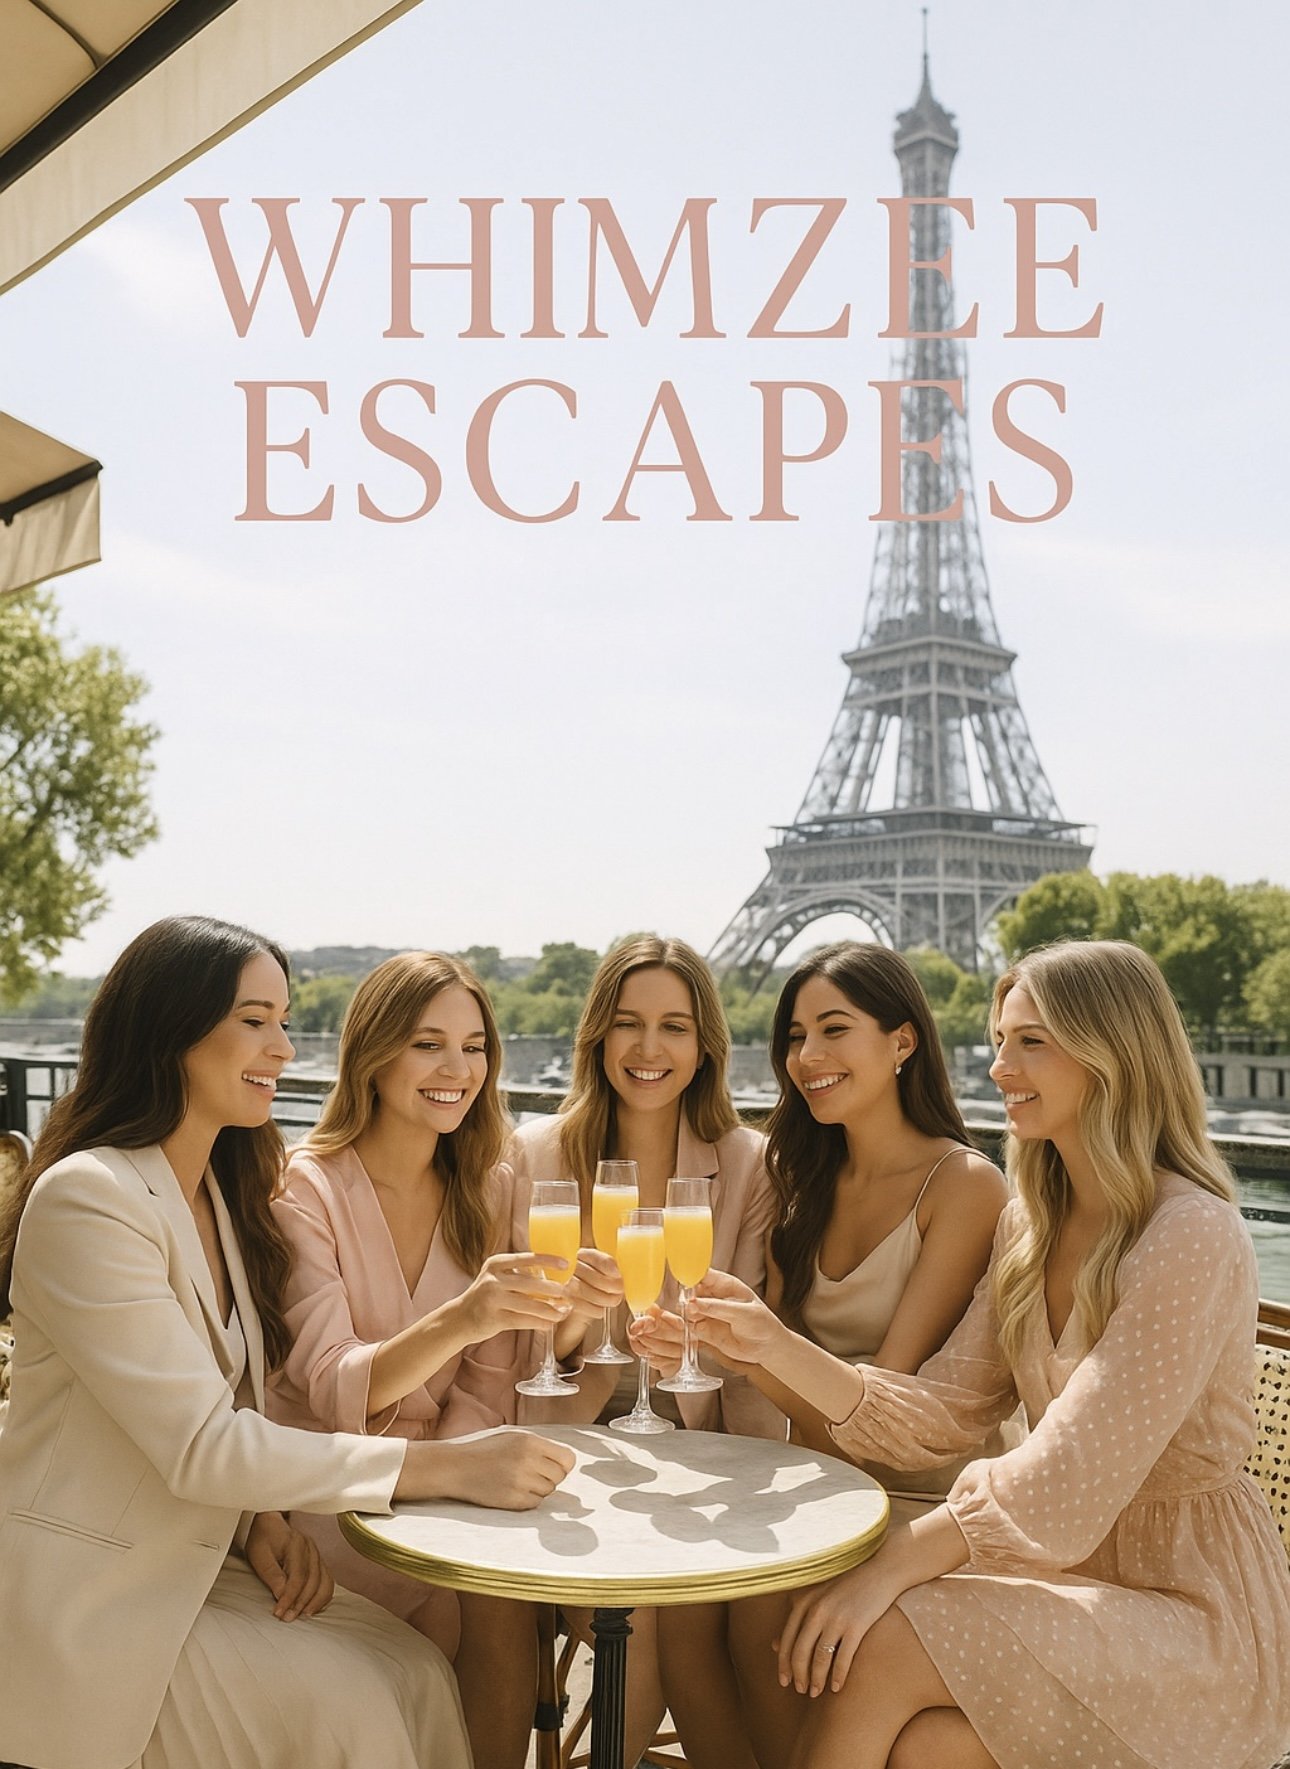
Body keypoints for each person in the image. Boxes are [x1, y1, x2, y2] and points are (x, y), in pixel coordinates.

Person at [662, 941, 1290, 1769]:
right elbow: (943, 1415)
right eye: (1000, 1040)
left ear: (1115, 1050)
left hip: (1193, 1614)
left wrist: (895, 1560)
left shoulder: (1192, 1233)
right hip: (1069, 1581)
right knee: (925, 1746)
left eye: (1032, 1041)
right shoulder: (1030, 1225)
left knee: (877, 1637)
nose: (999, 1067)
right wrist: (767, 1344)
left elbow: (1072, 1466)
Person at [0, 916, 573, 1769]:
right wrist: (448, 1467)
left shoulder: (225, 1197)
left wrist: (260, 1522)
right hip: (95, 1597)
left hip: (205, 1560)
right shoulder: (90, 1196)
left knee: (416, 1671)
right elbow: (201, 1442)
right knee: (358, 1698)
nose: (281, 1046)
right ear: (173, 1028)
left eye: (285, 1019)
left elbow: (229, 1399)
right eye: (254, 1019)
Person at [638, 941, 1008, 1769]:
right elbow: (784, 1368)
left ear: (904, 1041)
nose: (807, 1057)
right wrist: (716, 1348)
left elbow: (887, 1404)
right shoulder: (801, 1172)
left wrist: (756, 1350)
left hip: (916, 1494)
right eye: (796, 1035)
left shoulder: (966, 1186)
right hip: (816, 1476)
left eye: (834, 1029)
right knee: (683, 1607)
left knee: (766, 1603)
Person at [269, 950, 594, 1769]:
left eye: (476, 1045)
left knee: (495, 1594)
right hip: (328, 1489)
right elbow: (335, 1386)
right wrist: (465, 1315)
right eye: (428, 1044)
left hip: (447, 1478)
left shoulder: (490, 1186)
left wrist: (455, 1472)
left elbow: (492, 1383)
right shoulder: (304, 1188)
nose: (459, 1069)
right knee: (470, 1596)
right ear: (373, 1054)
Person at [508, 933, 782, 1764]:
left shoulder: (747, 1164)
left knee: (677, 1596)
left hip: (702, 1455)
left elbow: (755, 1352)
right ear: (597, 1035)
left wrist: (693, 1352)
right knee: (653, 1601)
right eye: (628, 1023)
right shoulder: (536, 1155)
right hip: (573, 1446)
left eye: (674, 1025)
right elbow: (517, 1356)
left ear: (705, 1047)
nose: (649, 1048)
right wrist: (571, 1323)